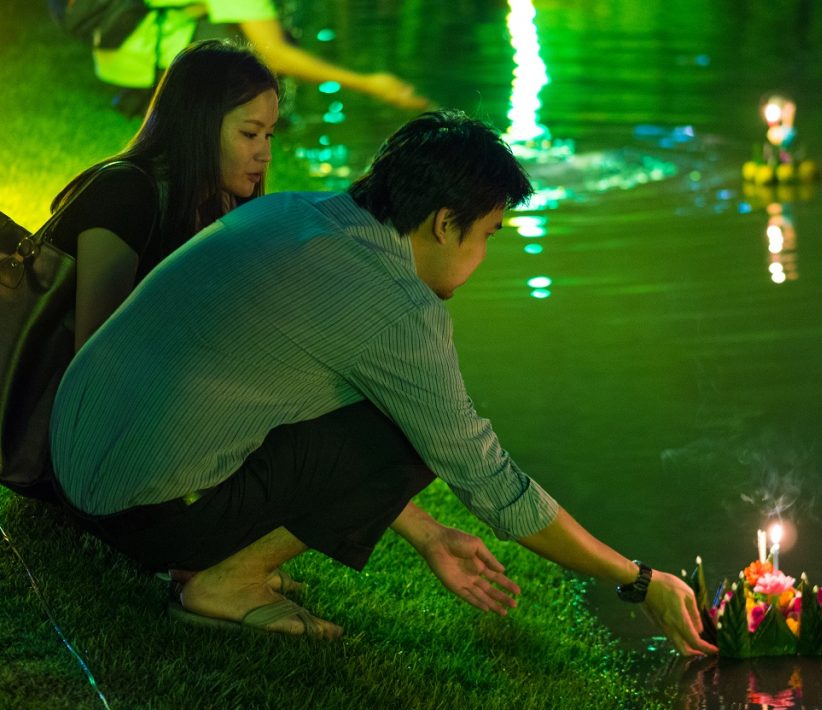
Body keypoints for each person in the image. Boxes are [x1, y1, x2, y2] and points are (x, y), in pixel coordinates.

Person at [49, 110, 716, 657]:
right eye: (487, 233)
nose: (485, 254)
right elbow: (492, 484)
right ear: (443, 223)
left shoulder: (289, 213)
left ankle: (217, 552)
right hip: (140, 514)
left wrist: (428, 535)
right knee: (419, 432)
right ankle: (225, 582)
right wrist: (638, 579)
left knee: (391, 414)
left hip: (68, 462)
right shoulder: (399, 311)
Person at [53, 38, 279, 351]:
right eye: (250, 134)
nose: (265, 154)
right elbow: (95, 351)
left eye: (269, 135)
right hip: (58, 394)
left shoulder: (219, 207)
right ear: (198, 123)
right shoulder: (125, 193)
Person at [91, 0, 427, 116]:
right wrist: (369, 84)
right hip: (143, 70)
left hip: (116, 59)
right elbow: (277, 56)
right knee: (247, 51)